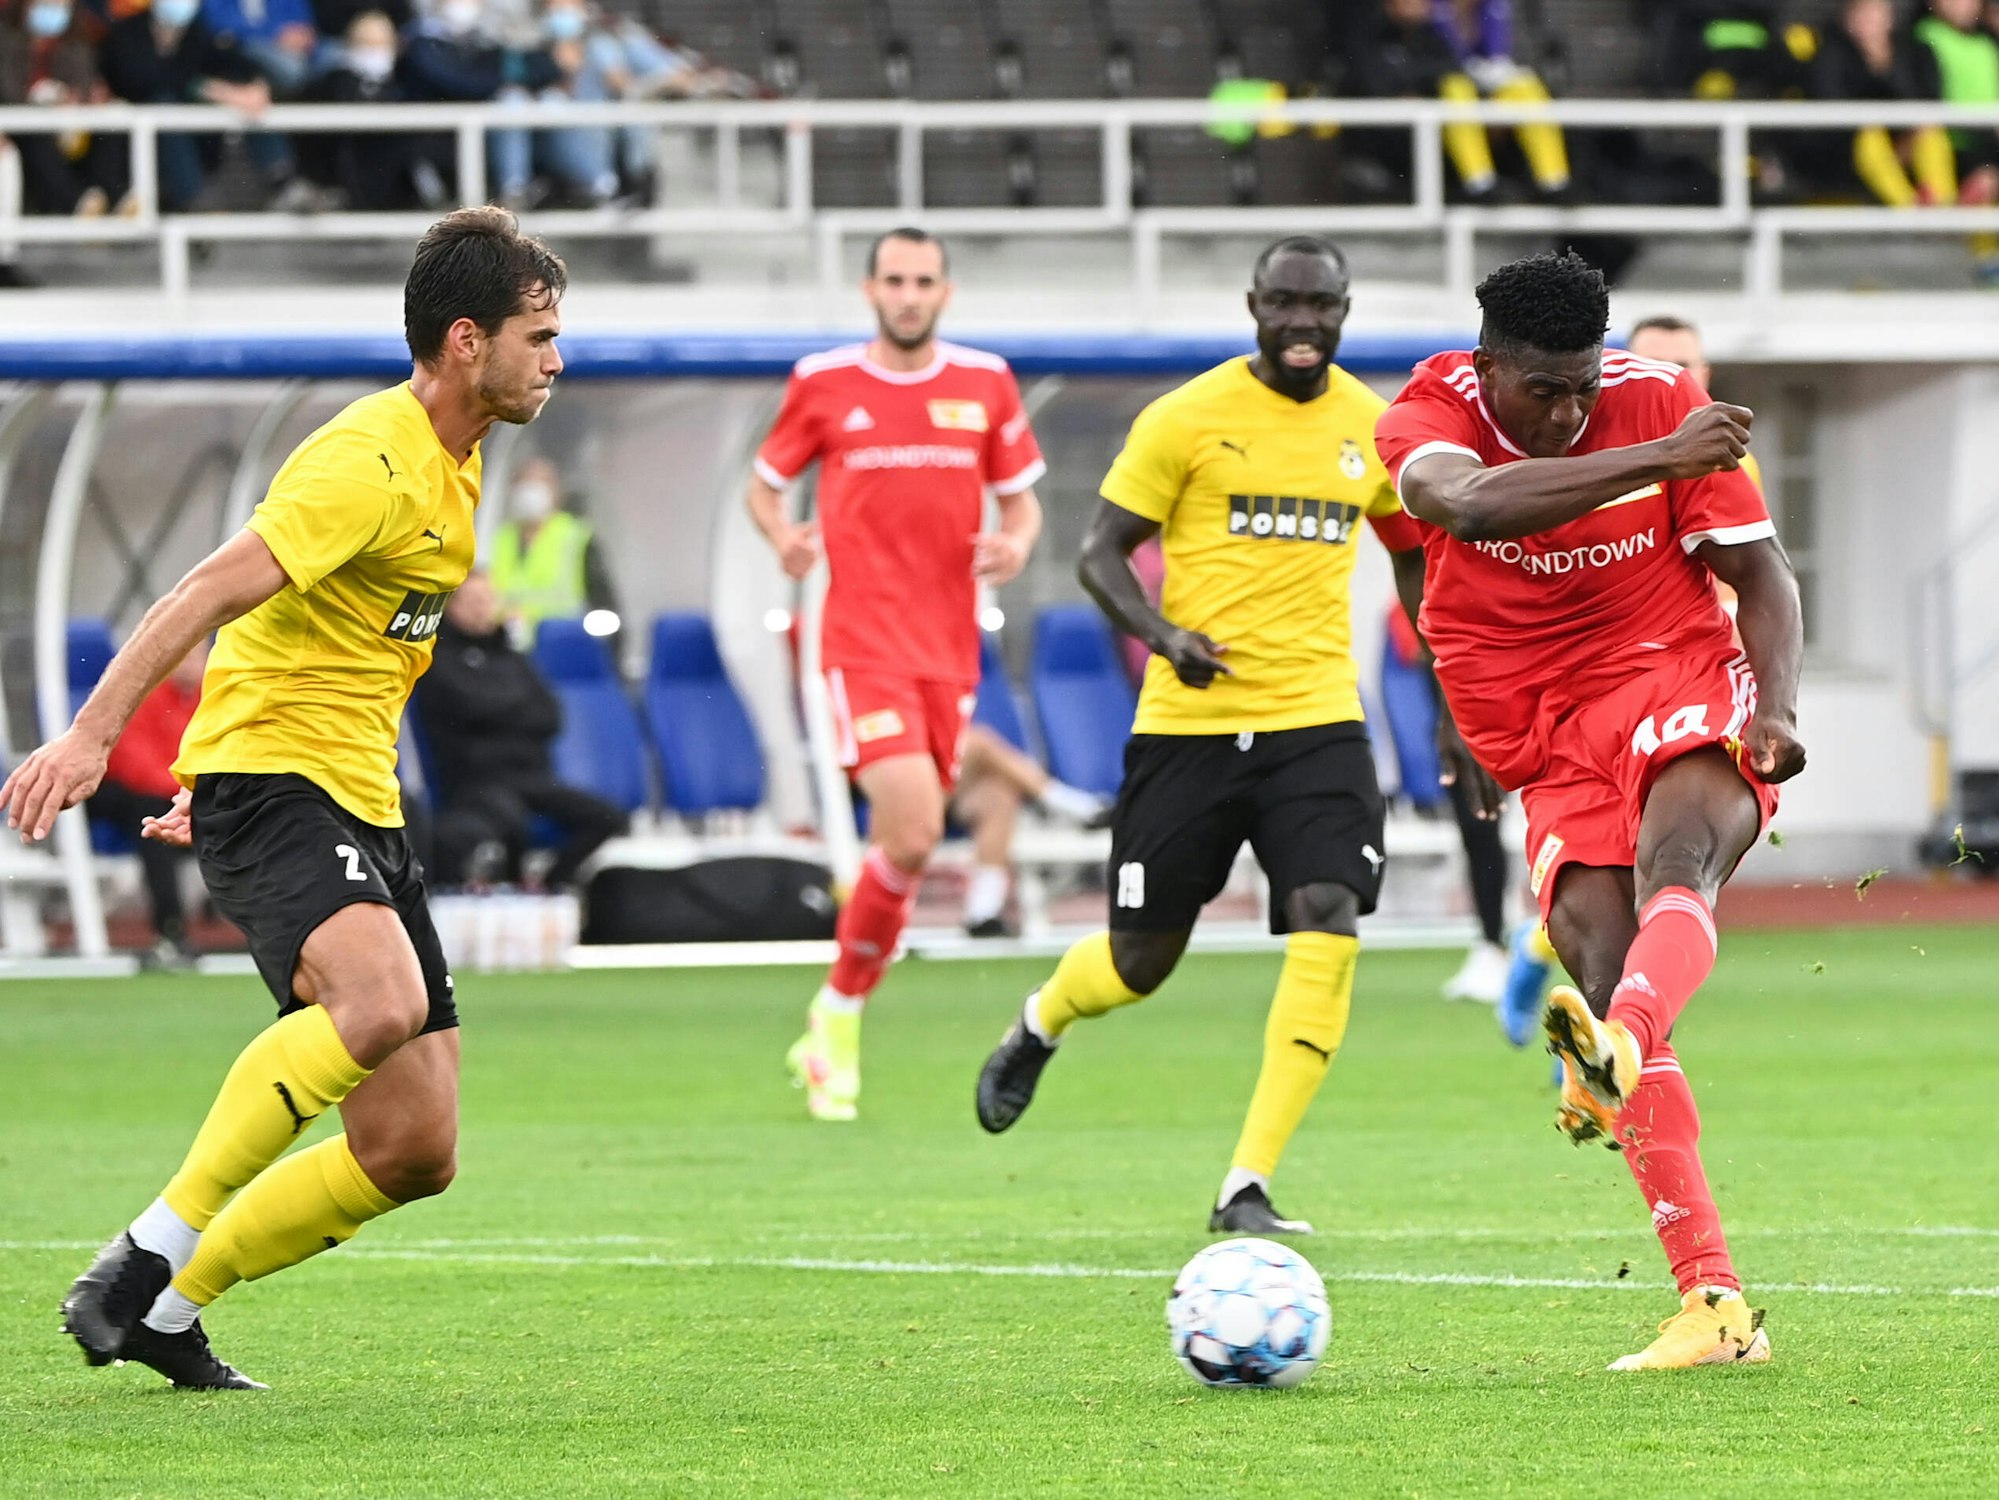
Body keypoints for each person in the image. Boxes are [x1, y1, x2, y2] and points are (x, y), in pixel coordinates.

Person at [2, 206, 565, 1390]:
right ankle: (144, 1254)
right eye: (538, 333)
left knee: (415, 1149)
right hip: (285, 783)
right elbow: (207, 589)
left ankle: (171, 1308)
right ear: (466, 340)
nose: (555, 358)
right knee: (377, 1001)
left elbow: (335, 646)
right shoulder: (366, 459)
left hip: (347, 795)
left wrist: (218, 766)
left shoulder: (459, 475)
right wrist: (101, 740)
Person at [1373, 250, 1806, 1369]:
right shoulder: (1429, 412)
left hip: (1669, 667)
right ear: (1487, 368)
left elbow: (1762, 576)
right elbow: (1460, 507)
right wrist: (1655, 458)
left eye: (1583, 386)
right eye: (1543, 391)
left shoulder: (1655, 392)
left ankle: (1614, 1050)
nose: (1570, 411)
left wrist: (1779, 709)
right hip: (1528, 716)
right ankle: (1713, 1309)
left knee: (1680, 861)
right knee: (1601, 956)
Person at [975, 235, 1421, 1237]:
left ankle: (1245, 1183)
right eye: (1285, 305)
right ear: (1254, 305)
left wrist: (1451, 676)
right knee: (1139, 962)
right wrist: (1163, 637)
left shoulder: (1375, 429)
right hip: (1190, 724)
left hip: (1316, 718)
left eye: (1322, 308)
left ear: (1343, 312)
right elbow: (1101, 555)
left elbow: (1411, 555)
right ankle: (1041, 1020)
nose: (1303, 326)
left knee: (1327, 909)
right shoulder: (1186, 418)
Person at [748, 226, 1046, 1122]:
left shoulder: (984, 383)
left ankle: (836, 1011)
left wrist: (1016, 544)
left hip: (949, 649)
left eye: (923, 280)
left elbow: (1023, 498)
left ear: (944, 293)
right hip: (859, 643)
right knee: (914, 830)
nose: (908, 294)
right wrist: (784, 535)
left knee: (909, 847)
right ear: (869, 289)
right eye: (894, 280)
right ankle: (837, 1014)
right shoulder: (825, 383)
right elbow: (765, 485)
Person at [1494, 311, 1764, 1048]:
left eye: (1692, 365)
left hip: (1687, 687)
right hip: (1587, 706)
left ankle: (1602, 1037)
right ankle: (1547, 967)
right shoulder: (1571, 457)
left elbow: (1751, 573)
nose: (1683, 379)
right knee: (1609, 884)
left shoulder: (1729, 460)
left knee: (1671, 868)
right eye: (1661, 363)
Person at [413, 568, 627, 888]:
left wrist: (496, 708)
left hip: (531, 779)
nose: (481, 608)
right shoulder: (435, 658)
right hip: (475, 782)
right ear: (451, 606)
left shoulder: (514, 656)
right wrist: (514, 706)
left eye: (487, 599)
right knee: (510, 823)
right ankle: (511, 893)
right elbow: (469, 707)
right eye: (471, 600)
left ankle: (551, 884)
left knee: (608, 817)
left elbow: (550, 716)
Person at [88, 640, 207, 960]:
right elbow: (133, 763)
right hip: (126, 795)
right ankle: (171, 931)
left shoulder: (211, 699)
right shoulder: (145, 695)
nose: (190, 664)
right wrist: (187, 793)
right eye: (184, 655)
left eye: (197, 656)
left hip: (182, 795)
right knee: (153, 820)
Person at [99, 0, 275, 212]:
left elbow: (231, 63)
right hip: (130, 146)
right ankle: (194, 199)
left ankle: (281, 177)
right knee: (163, 105)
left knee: (250, 100)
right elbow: (145, 80)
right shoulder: (126, 32)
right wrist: (214, 90)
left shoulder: (198, 33)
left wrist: (256, 84)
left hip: (196, 144)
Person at [950, 721, 1109, 938]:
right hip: (900, 793)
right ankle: (1075, 806)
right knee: (979, 742)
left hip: (942, 793)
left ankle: (982, 912)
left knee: (998, 795)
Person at [295, 9, 451, 212]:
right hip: (343, 180)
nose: (374, 51)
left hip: (398, 190)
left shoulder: (409, 83)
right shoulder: (329, 85)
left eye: (380, 43)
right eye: (365, 43)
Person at [1806, 0, 1956, 209]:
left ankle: (1943, 209)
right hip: (1849, 150)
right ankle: (1910, 210)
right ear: (1847, 19)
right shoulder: (1832, 52)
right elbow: (1832, 99)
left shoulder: (1912, 51)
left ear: (1889, 17)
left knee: (1931, 136)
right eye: (1862, 14)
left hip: (1903, 138)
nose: (1870, 21)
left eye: (1875, 13)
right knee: (1870, 137)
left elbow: (1927, 96)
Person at [0, 0, 133, 217]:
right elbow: (8, 92)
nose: (54, 11)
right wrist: (41, 102)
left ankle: (115, 198)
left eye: (61, 6)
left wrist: (79, 98)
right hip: (22, 125)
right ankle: (77, 204)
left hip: (70, 122)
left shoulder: (76, 42)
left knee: (111, 122)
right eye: (47, 4)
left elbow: (85, 83)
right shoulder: (5, 40)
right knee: (36, 136)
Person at [488, 452, 618, 639]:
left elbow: (603, 605)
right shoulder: (499, 539)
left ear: (557, 491)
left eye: (540, 483)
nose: (531, 491)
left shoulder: (577, 538)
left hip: (562, 646)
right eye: (524, 482)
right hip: (508, 649)